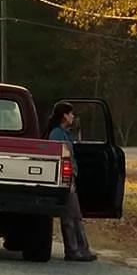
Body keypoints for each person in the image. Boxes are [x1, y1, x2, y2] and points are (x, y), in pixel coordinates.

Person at [45, 101, 98, 262]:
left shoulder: (65, 133)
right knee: (70, 215)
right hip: (65, 179)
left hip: (70, 177)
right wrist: (68, 181)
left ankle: (81, 249)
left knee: (75, 215)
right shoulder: (56, 134)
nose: (73, 116)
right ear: (64, 115)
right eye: (70, 114)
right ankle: (73, 250)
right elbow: (61, 159)